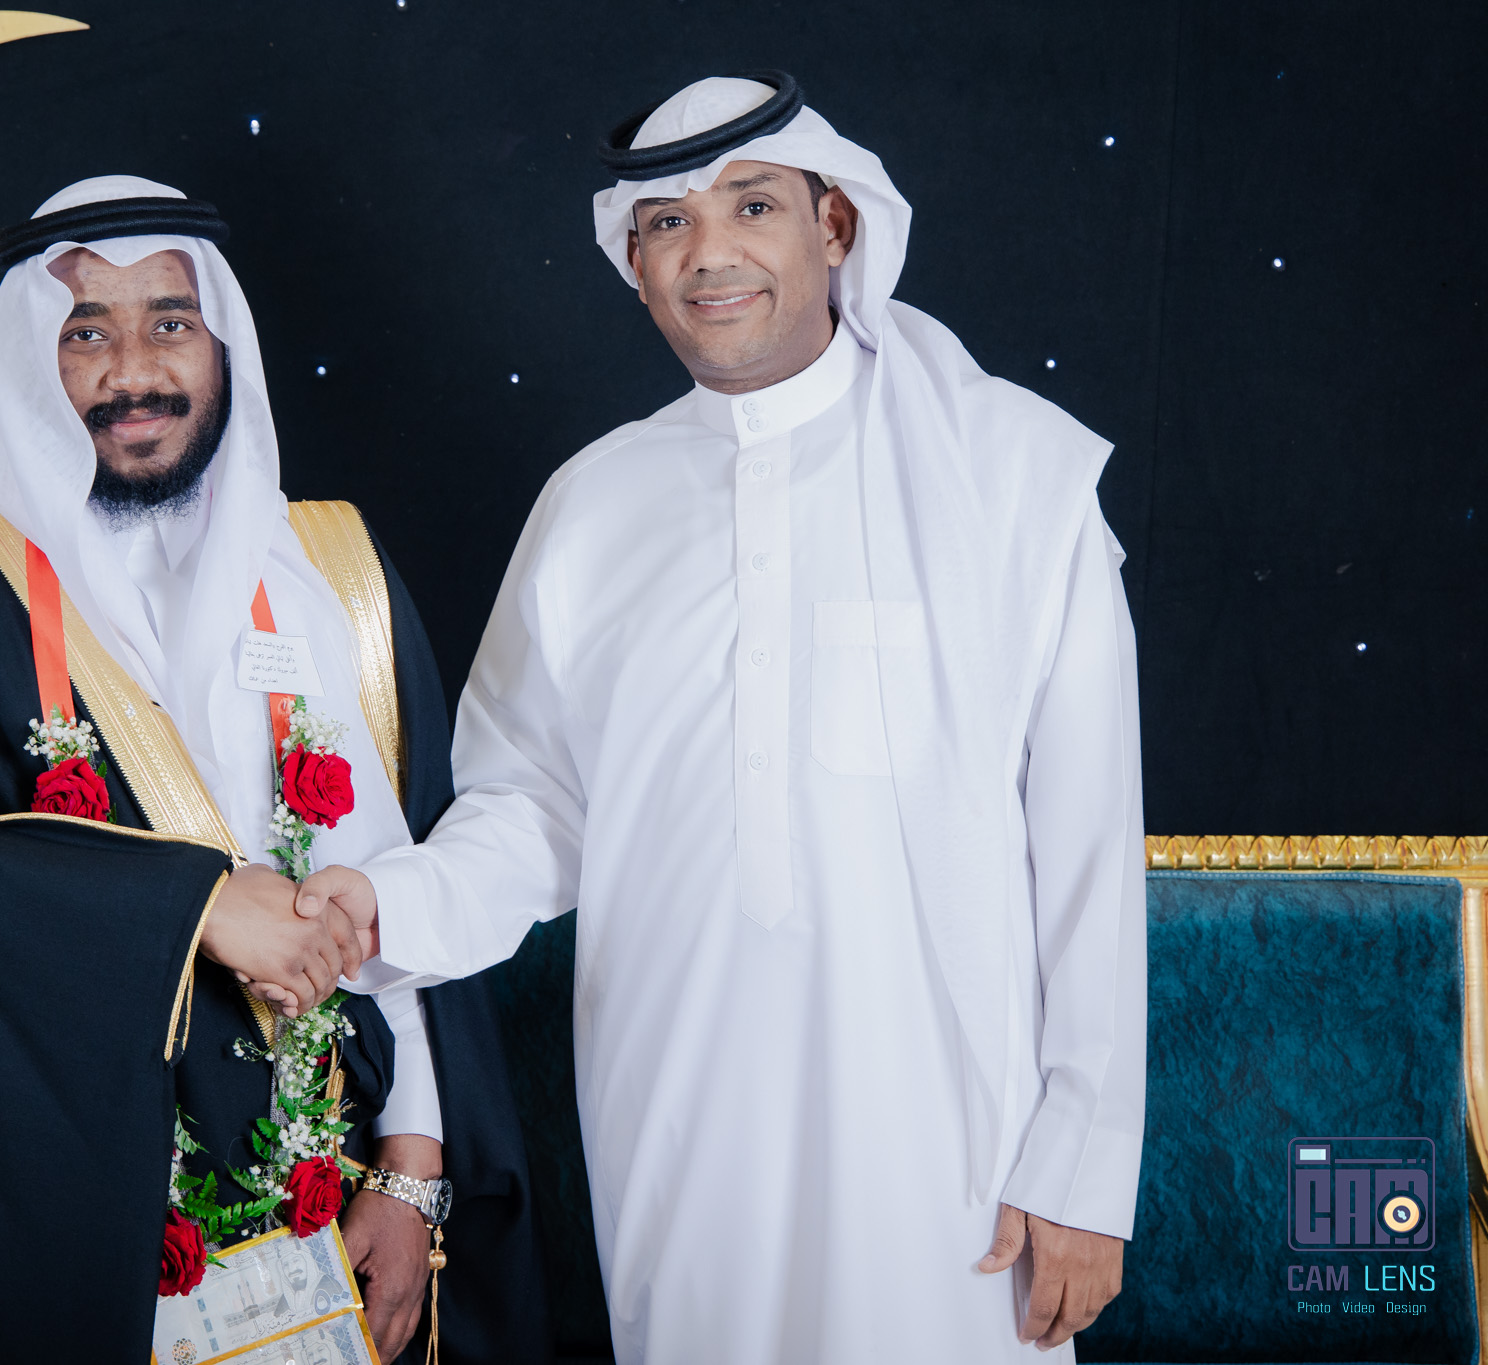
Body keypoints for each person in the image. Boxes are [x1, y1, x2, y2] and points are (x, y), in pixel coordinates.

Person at [294, 74, 1146, 1362]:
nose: (708, 253)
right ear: (633, 265)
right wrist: (380, 905)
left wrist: (1080, 1164)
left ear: (834, 226)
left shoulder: (1013, 476)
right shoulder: (590, 507)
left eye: (751, 206)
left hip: (949, 1150)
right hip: (678, 1126)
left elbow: (1086, 846)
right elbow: (532, 810)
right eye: (666, 223)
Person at [0, 176, 546, 1365]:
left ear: (222, 343)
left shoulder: (331, 572)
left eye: (170, 323)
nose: (131, 371)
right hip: (54, 1225)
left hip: (328, 1206)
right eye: (85, 333)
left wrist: (411, 1170)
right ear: (33, 358)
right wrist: (194, 905)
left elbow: (398, 881)